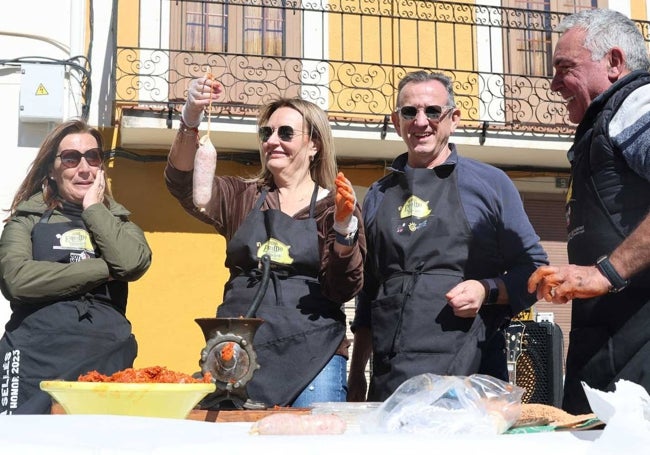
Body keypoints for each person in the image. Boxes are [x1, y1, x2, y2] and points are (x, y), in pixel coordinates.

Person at [165, 76, 366, 408]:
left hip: (313, 354)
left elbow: (343, 289)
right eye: (266, 133)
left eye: (285, 133)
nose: (272, 140)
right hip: (235, 351)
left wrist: (344, 231)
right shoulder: (243, 197)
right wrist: (191, 116)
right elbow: (182, 183)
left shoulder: (335, 205)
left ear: (314, 144)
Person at [347, 70, 548, 402]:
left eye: (432, 111)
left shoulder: (491, 184)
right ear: (396, 122)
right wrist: (357, 377)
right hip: (390, 382)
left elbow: (535, 270)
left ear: (453, 119)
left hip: (470, 379)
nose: (420, 121)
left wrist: (488, 289)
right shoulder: (378, 195)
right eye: (409, 112)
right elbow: (368, 295)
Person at [527, 9, 650, 414]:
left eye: (565, 68)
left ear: (614, 62)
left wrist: (604, 273)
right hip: (612, 349)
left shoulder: (637, 101)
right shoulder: (604, 124)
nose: (553, 83)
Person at [0, 119, 152, 414]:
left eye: (93, 157)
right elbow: (16, 280)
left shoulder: (120, 223)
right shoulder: (26, 220)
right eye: (71, 158)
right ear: (51, 170)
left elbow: (131, 263)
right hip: (34, 359)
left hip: (107, 358)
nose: (84, 168)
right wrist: (103, 269)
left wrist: (94, 208)